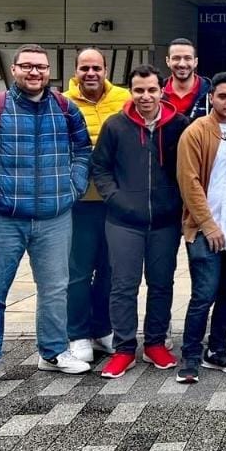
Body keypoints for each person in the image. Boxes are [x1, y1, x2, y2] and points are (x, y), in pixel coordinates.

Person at [0, 44, 93, 394]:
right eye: (27, 66)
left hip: (53, 218)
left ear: (49, 72)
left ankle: (54, 352)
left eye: (41, 67)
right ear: (13, 70)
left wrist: (73, 187)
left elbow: (83, 152)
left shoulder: (66, 109)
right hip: (1, 219)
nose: (35, 72)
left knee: (55, 289)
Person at [89, 65, 186, 379]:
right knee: (123, 286)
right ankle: (124, 349)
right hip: (123, 221)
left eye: (151, 90)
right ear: (130, 92)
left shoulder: (179, 125)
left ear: (162, 90)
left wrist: (177, 202)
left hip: (165, 222)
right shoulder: (115, 125)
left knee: (161, 284)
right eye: (139, 90)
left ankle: (155, 343)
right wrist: (116, 198)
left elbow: (191, 167)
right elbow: (100, 167)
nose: (145, 96)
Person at [174, 72, 226, 383]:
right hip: (205, 230)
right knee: (203, 294)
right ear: (211, 98)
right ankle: (190, 357)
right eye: (223, 96)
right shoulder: (196, 132)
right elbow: (189, 182)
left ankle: (217, 351)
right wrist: (208, 226)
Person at [63, 48, 131, 364]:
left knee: (110, 270)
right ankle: (77, 334)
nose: (91, 73)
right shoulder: (62, 103)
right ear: (76, 70)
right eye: (85, 68)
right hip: (79, 203)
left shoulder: (124, 99)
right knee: (78, 272)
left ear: (106, 70)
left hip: (115, 201)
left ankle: (102, 329)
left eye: (96, 68)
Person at [162, 38, 211, 123]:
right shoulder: (157, 93)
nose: (182, 64)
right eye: (176, 58)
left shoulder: (211, 92)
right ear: (168, 61)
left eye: (187, 58)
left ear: (195, 62)